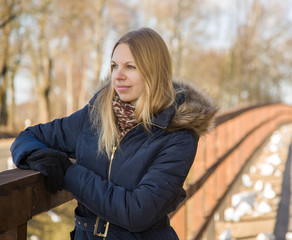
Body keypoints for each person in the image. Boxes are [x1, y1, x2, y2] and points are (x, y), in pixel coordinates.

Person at [11, 27, 217, 239]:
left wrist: (68, 173)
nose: (118, 76)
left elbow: (138, 212)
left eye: (130, 67)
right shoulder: (93, 116)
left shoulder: (177, 134)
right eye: (114, 66)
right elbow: (28, 137)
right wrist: (38, 157)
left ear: (154, 71)